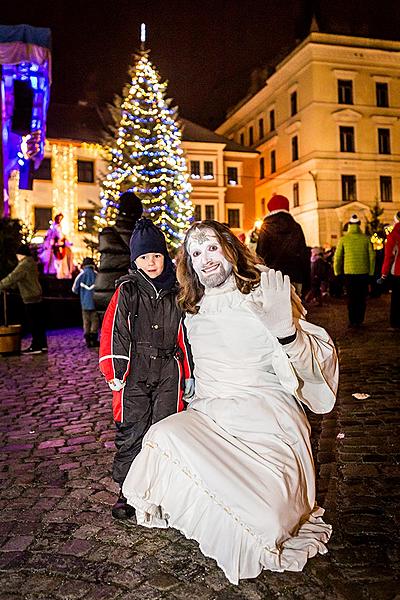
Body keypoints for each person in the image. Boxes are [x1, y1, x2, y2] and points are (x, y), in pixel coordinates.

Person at [122, 220, 338, 585]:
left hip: (267, 419)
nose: (204, 260)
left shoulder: (265, 292)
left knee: (269, 520)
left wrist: (286, 333)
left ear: (229, 248)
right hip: (210, 416)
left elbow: (319, 363)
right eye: (195, 254)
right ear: (188, 265)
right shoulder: (193, 307)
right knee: (161, 436)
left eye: (210, 248)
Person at [99, 218, 193, 520]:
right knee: (132, 430)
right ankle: (127, 490)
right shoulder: (127, 290)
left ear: (165, 257)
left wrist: (189, 373)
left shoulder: (178, 291)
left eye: (155, 256)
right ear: (134, 260)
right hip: (135, 372)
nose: (150, 263)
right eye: (143, 257)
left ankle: (164, 489)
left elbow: (187, 334)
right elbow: (115, 329)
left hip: (169, 370)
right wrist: (115, 369)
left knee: (166, 429)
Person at [94, 191, 143, 318]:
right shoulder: (137, 236)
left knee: (109, 334)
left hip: (102, 293)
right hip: (123, 293)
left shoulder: (107, 234)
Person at [256, 194, 310, 297]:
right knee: (294, 310)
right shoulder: (296, 226)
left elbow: (260, 254)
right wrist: (307, 282)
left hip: (272, 277)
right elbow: (304, 254)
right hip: (294, 276)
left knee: (275, 309)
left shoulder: (266, 228)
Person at [0, 244, 47, 354]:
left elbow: (13, 277)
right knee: (39, 322)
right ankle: (42, 345)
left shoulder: (24, 264)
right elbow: (22, 280)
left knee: (34, 322)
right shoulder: (31, 263)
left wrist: (1, 285)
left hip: (30, 296)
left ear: (20, 255)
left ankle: (36, 346)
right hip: (36, 294)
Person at [334, 214, 375, 327]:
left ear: (350, 225)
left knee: (351, 298)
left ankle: (352, 321)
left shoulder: (343, 239)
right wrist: (371, 273)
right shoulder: (366, 239)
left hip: (349, 273)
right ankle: (360, 320)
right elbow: (372, 257)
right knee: (361, 298)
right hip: (364, 273)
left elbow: (337, 257)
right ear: (359, 225)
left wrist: (337, 272)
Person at [378, 210, 400, 330]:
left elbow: (388, 256)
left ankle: (396, 323)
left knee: (396, 299)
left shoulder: (393, 234)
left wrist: (384, 274)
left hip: (397, 271)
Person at [72, 257, 99, 347]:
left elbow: (74, 289)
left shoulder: (81, 275)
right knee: (95, 321)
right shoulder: (97, 275)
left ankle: (87, 340)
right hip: (95, 303)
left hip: (84, 304)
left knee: (86, 321)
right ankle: (94, 339)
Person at [39, 213, 74, 279]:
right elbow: (50, 239)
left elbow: (63, 238)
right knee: (54, 263)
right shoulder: (53, 229)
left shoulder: (60, 229)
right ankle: (53, 273)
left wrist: (67, 243)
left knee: (63, 262)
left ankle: (63, 273)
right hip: (54, 250)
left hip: (61, 249)